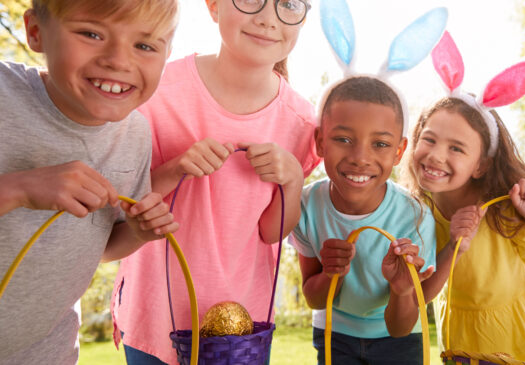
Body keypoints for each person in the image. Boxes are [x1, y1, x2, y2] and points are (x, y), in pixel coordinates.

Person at [110, 0, 320, 363]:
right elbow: (122, 207)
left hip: (242, 328)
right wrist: (174, 169)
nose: (269, 19)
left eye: (288, 4)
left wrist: (293, 180)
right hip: (155, 309)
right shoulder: (157, 91)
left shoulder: (300, 122)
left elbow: (272, 233)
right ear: (213, 6)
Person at [0, 0, 179, 363]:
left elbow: (102, 246)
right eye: (91, 34)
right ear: (36, 31)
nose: (118, 60)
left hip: (47, 353)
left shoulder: (135, 135)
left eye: (144, 45)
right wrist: (17, 188)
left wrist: (138, 232)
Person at [404, 95, 525, 364]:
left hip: (516, 343)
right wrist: (453, 248)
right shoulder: (416, 214)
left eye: (457, 148)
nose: (436, 155)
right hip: (460, 340)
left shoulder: (504, 211)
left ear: (481, 165)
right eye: (429, 139)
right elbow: (417, 294)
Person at [290, 76, 437, 365]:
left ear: (399, 151)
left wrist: (400, 289)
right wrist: (332, 274)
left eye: (380, 144)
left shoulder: (415, 216)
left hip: (400, 340)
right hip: (335, 334)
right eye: (343, 139)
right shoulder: (306, 205)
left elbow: (400, 327)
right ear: (320, 141)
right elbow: (313, 298)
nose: (360, 158)